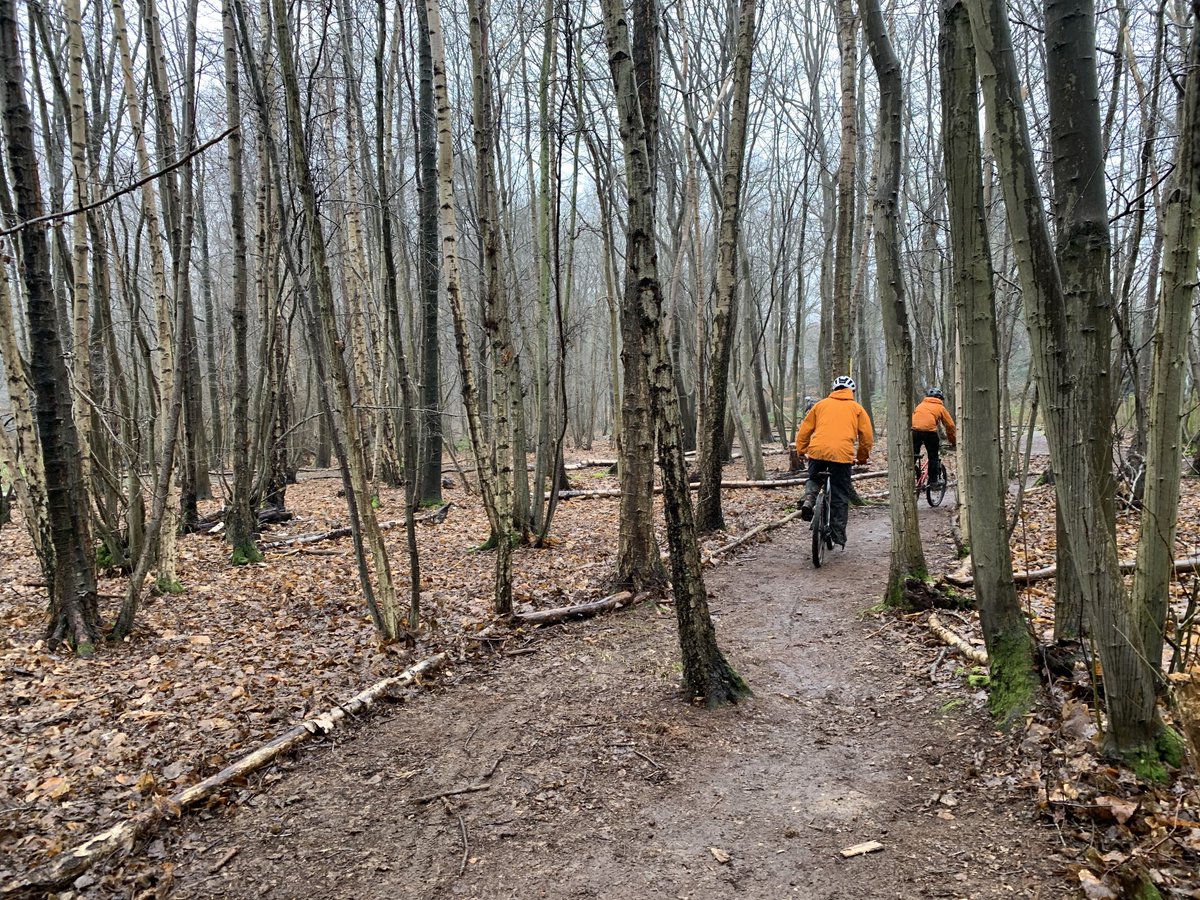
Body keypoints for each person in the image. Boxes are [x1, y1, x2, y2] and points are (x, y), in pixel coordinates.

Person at [795, 375, 873, 549]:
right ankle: (837, 533)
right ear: (852, 391)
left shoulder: (820, 405)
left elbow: (804, 430)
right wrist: (862, 457)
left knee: (814, 479)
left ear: (834, 389)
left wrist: (801, 451)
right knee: (839, 494)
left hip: (817, 451)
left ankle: (809, 499)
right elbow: (866, 437)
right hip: (842, 456)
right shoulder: (857, 408)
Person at [911, 387, 956, 486]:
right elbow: (950, 425)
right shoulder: (940, 407)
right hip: (930, 433)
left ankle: (909, 472)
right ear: (940, 398)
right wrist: (953, 441)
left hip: (914, 431)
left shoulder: (920, 405)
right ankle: (933, 481)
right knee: (933, 456)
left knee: (913, 455)